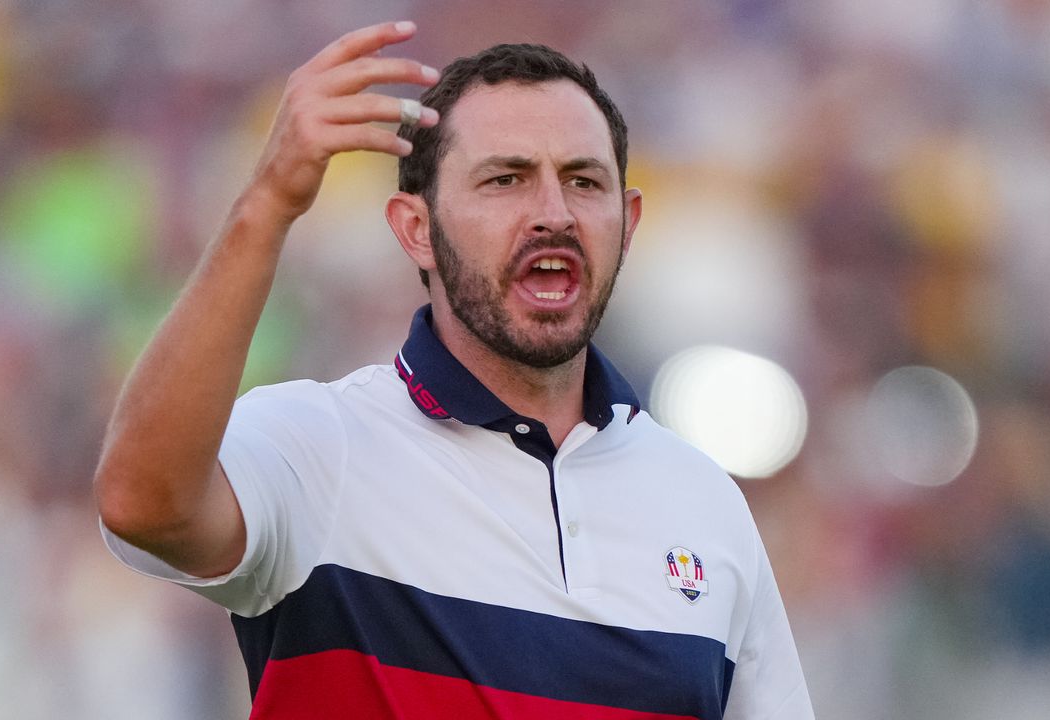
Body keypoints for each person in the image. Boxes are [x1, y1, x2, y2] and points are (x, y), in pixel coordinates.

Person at [95, 20, 814, 720]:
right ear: (416, 229)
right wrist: (269, 204)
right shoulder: (321, 446)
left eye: (583, 181)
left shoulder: (703, 502)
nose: (553, 213)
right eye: (506, 179)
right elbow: (142, 503)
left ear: (627, 223)